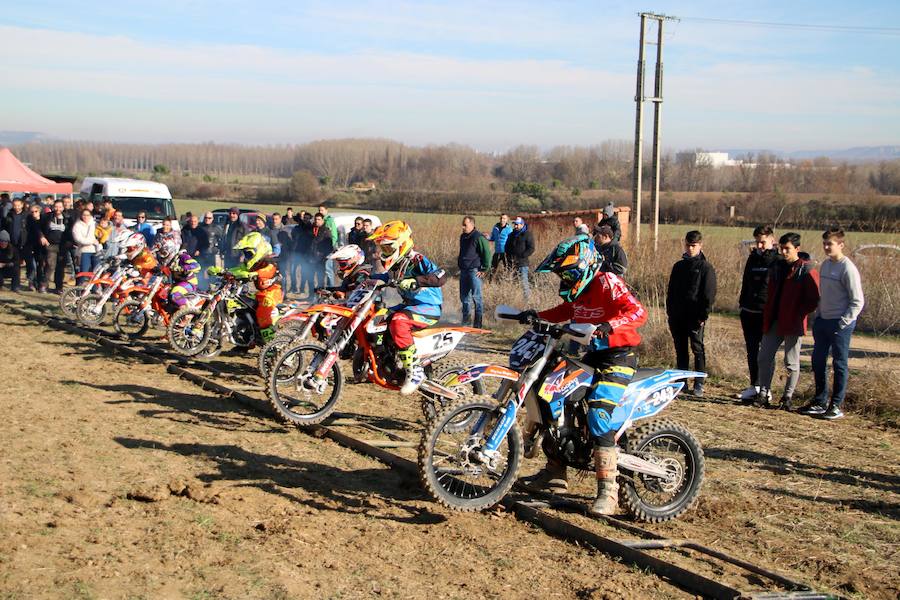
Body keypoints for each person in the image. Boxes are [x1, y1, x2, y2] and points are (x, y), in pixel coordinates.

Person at [519, 234, 647, 516]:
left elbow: (637, 311)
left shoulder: (607, 282)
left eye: (566, 274)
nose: (563, 280)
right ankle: (555, 473)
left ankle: (608, 492)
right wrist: (536, 316)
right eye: (561, 275)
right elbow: (567, 310)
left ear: (583, 267)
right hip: (590, 354)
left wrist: (609, 325)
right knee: (553, 398)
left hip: (619, 356)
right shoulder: (580, 291)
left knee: (599, 414)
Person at [368, 220, 447, 394]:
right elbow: (385, 277)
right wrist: (367, 277)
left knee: (398, 321)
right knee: (378, 317)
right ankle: (388, 363)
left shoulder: (416, 259)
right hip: (410, 306)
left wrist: (416, 281)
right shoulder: (397, 262)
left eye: (388, 248)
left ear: (402, 244)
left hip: (429, 307)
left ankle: (416, 370)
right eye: (383, 249)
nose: (385, 252)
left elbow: (441, 276)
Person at [801, 228, 865, 420]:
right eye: (825, 244)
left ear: (841, 245)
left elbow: (857, 301)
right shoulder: (827, 265)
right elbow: (824, 294)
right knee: (818, 361)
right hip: (823, 321)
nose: (827, 247)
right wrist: (819, 315)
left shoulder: (848, 268)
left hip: (840, 324)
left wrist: (843, 322)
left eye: (830, 244)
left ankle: (835, 405)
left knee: (839, 364)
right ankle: (820, 401)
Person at [754, 233, 820, 410]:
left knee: (791, 362)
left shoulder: (807, 270)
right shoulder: (776, 267)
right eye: (781, 248)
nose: (783, 252)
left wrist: (799, 313)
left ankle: (787, 397)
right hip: (774, 319)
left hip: (793, 322)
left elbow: (814, 298)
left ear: (797, 249)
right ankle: (764, 393)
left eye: (787, 249)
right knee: (764, 357)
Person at [665, 230, 716, 397]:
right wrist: (670, 313)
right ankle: (682, 382)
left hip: (695, 317)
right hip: (677, 316)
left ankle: (699, 383)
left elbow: (708, 295)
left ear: (700, 246)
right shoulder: (678, 266)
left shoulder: (706, 268)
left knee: (697, 349)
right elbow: (671, 292)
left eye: (693, 246)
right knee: (681, 350)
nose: (690, 249)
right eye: (688, 245)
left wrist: (703, 316)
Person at [208, 231, 283, 342]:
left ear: (259, 249)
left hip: (273, 292)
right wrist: (223, 271)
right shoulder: (254, 262)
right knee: (242, 308)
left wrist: (256, 273)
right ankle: (245, 341)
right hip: (259, 293)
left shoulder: (269, 261)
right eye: (245, 254)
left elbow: (268, 270)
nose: (246, 257)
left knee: (263, 312)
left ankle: (271, 344)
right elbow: (239, 269)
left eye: (248, 254)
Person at [737, 226, 780, 401]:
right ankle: (754, 385)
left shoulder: (777, 261)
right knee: (752, 351)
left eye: (763, 242)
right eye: (758, 242)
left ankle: (766, 388)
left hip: (766, 313)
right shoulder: (752, 258)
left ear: (772, 240)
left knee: (767, 353)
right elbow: (745, 282)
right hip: (749, 311)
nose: (760, 246)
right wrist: (742, 305)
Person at [457, 216, 491, 328]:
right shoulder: (463, 237)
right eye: (463, 224)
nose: (463, 227)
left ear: (471, 225)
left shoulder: (479, 237)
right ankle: (466, 321)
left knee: (477, 297)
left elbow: (486, 253)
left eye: (465, 225)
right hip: (464, 270)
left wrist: (484, 269)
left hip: (474, 271)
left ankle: (478, 324)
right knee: (464, 298)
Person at [157, 238, 201, 308]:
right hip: (175, 283)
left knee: (175, 294)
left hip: (189, 283)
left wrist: (183, 268)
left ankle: (187, 310)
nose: (162, 256)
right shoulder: (167, 262)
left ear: (170, 250)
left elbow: (197, 266)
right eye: (161, 253)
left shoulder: (182, 257)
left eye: (164, 253)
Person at [41, 200, 68, 293]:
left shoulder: (67, 218)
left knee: (60, 267)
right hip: (51, 245)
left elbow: (71, 230)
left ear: (63, 208)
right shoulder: (47, 217)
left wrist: (70, 242)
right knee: (50, 265)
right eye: (56, 207)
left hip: (62, 246)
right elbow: (40, 228)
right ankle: (44, 285)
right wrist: (42, 237)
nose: (58, 209)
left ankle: (59, 287)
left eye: (60, 207)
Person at [505, 216, 535, 299]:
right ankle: (515, 299)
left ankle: (527, 300)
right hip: (512, 263)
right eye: (514, 224)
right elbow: (507, 247)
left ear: (522, 225)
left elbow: (531, 248)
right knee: (513, 282)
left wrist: (522, 256)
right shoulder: (511, 235)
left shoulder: (527, 234)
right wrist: (508, 257)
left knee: (523, 282)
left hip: (522, 263)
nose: (515, 226)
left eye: (517, 225)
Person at [72, 209, 101, 284]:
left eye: (87, 215)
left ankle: (95, 289)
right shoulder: (77, 225)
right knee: (83, 272)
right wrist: (92, 241)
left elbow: (100, 235)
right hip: (84, 251)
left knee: (96, 273)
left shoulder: (95, 224)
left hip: (96, 251)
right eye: (84, 215)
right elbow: (79, 239)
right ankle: (79, 289)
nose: (85, 217)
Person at [308, 213, 334, 292]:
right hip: (312, 257)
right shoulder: (312, 229)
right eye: (316, 219)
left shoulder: (326, 231)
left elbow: (329, 245)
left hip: (321, 258)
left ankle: (321, 294)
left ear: (322, 220)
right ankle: (311, 293)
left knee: (321, 277)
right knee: (310, 276)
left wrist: (324, 256)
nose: (317, 221)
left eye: (319, 219)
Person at [25, 203, 46, 291]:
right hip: (30, 245)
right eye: (32, 212)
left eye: (36, 211)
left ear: (39, 211)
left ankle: (40, 283)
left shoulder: (44, 221)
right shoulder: (29, 221)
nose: (34, 213)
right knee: (31, 266)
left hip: (41, 247)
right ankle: (31, 282)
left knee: (40, 266)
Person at [318, 204, 339, 285]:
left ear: (326, 211)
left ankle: (331, 288)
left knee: (328, 269)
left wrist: (331, 247)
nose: (320, 212)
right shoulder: (319, 221)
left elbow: (334, 235)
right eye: (319, 210)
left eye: (322, 210)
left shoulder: (329, 221)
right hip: (321, 249)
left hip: (328, 249)